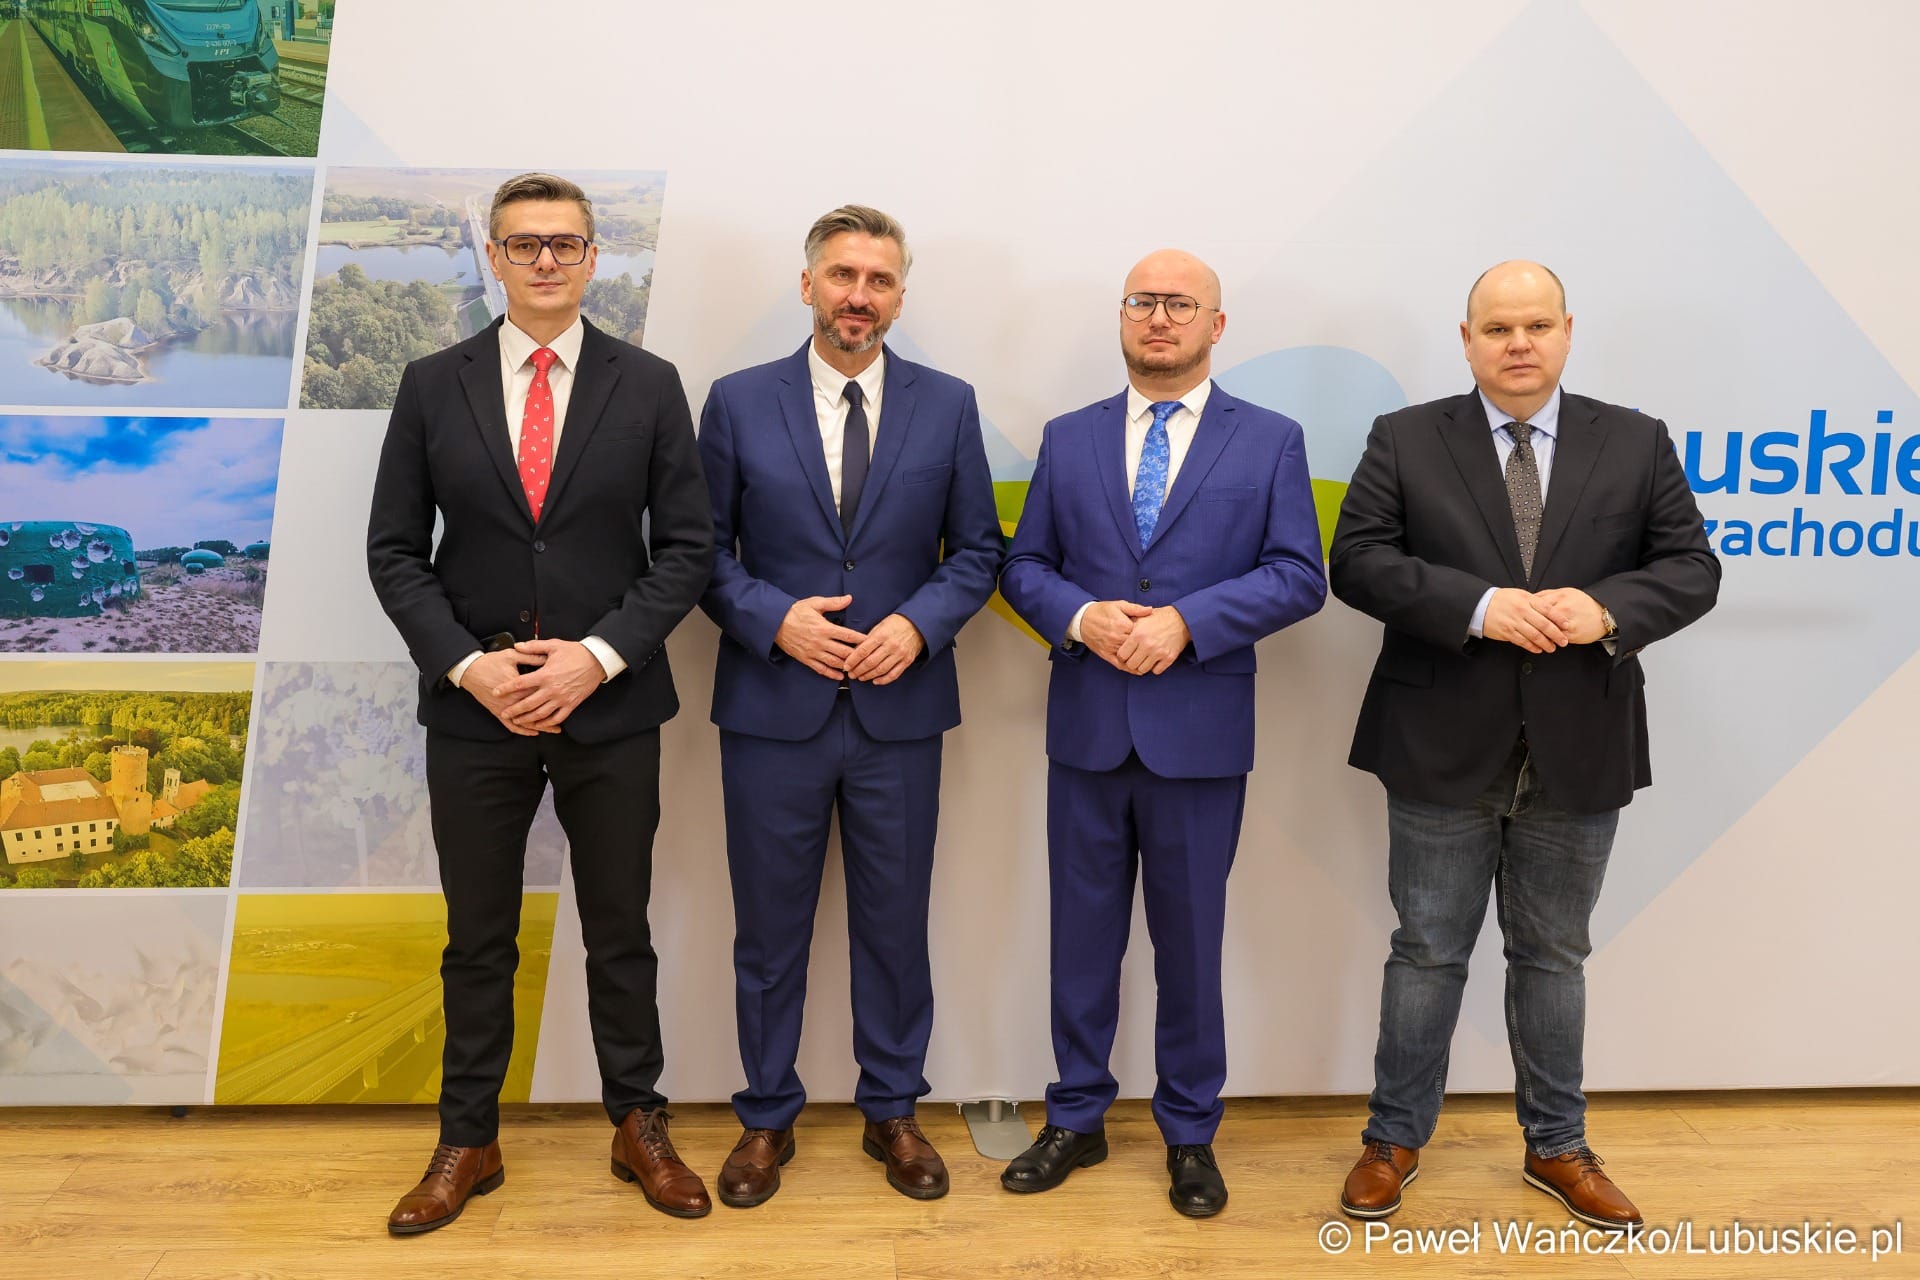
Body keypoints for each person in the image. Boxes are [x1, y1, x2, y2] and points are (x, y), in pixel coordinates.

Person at [1329, 261, 1719, 1229]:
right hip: (1439, 743)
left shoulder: (1635, 439)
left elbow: (1692, 567)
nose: (1518, 343)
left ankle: (1557, 1145)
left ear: (1567, 331)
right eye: (1498, 327)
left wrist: (1605, 609)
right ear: (1466, 340)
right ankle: (1392, 1138)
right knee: (1426, 951)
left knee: (1553, 955)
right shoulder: (1405, 437)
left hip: (1580, 743)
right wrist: (1479, 606)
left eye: (1536, 325)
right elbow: (1358, 561)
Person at [367, 172, 715, 1233]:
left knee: (620, 929)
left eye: (565, 243)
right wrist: (469, 667)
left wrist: (595, 659)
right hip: (475, 714)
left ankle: (638, 1122)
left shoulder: (649, 384)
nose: (547, 260)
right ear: (496, 256)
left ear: (594, 257)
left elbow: (687, 549)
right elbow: (394, 552)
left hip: (611, 707)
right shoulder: (433, 384)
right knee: (477, 937)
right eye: (525, 244)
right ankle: (467, 1138)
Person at [997, 249, 1326, 1217]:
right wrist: (1080, 616)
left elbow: (1298, 574)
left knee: (1190, 947)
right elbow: (1023, 567)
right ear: (1122, 316)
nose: (1159, 317)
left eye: (1181, 304)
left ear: (1216, 326)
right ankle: (1076, 1117)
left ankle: (1190, 1133)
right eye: (1142, 301)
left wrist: (1189, 622)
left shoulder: (1269, 440)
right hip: (1088, 730)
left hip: (1199, 735)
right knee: (1079, 941)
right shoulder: (1070, 437)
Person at [696, 204, 1003, 1206]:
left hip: (899, 713)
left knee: (895, 923)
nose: (858, 295)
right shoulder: (738, 401)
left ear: (900, 296)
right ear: (808, 285)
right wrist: (773, 619)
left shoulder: (948, 404)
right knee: (767, 930)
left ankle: (894, 1110)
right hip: (771, 709)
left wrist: (918, 626)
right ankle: (764, 1116)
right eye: (841, 275)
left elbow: (980, 551)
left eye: (878, 279)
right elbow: (698, 551)